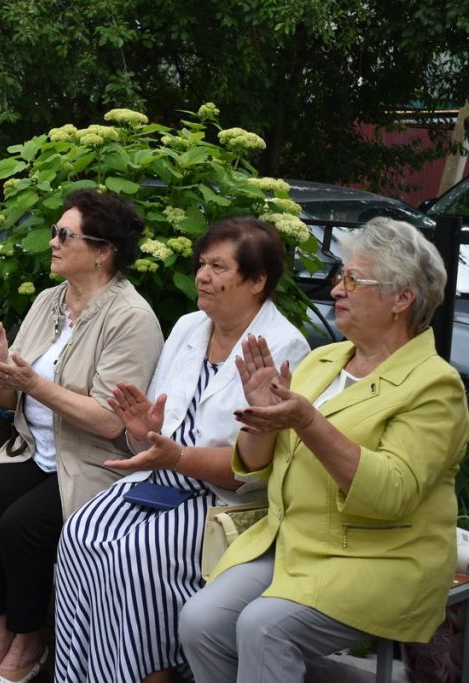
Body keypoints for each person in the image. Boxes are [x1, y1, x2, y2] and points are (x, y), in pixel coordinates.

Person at [178, 217, 469, 682]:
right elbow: (256, 466)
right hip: (294, 542)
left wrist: (306, 421)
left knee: (264, 628)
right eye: (339, 277)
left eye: (353, 281)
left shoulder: (435, 385)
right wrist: (260, 419)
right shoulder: (323, 360)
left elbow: (390, 494)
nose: (336, 290)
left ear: (402, 299)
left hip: (379, 558)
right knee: (201, 621)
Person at [53, 217, 310, 683]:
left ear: (257, 281)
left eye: (218, 267)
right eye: (201, 264)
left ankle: (146, 675)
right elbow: (156, 432)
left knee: (135, 554)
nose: (202, 277)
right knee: (80, 534)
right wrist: (142, 430)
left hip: (226, 499)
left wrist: (173, 456)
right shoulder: (191, 326)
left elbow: (253, 471)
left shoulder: (284, 345)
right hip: (162, 479)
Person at [0, 189, 164, 683]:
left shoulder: (130, 317)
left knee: (21, 525)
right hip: (34, 449)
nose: (52, 242)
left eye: (65, 235)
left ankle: (29, 644)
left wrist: (31, 383)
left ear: (103, 251)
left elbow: (110, 422)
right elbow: (12, 402)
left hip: (91, 462)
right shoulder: (50, 300)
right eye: (54, 232)